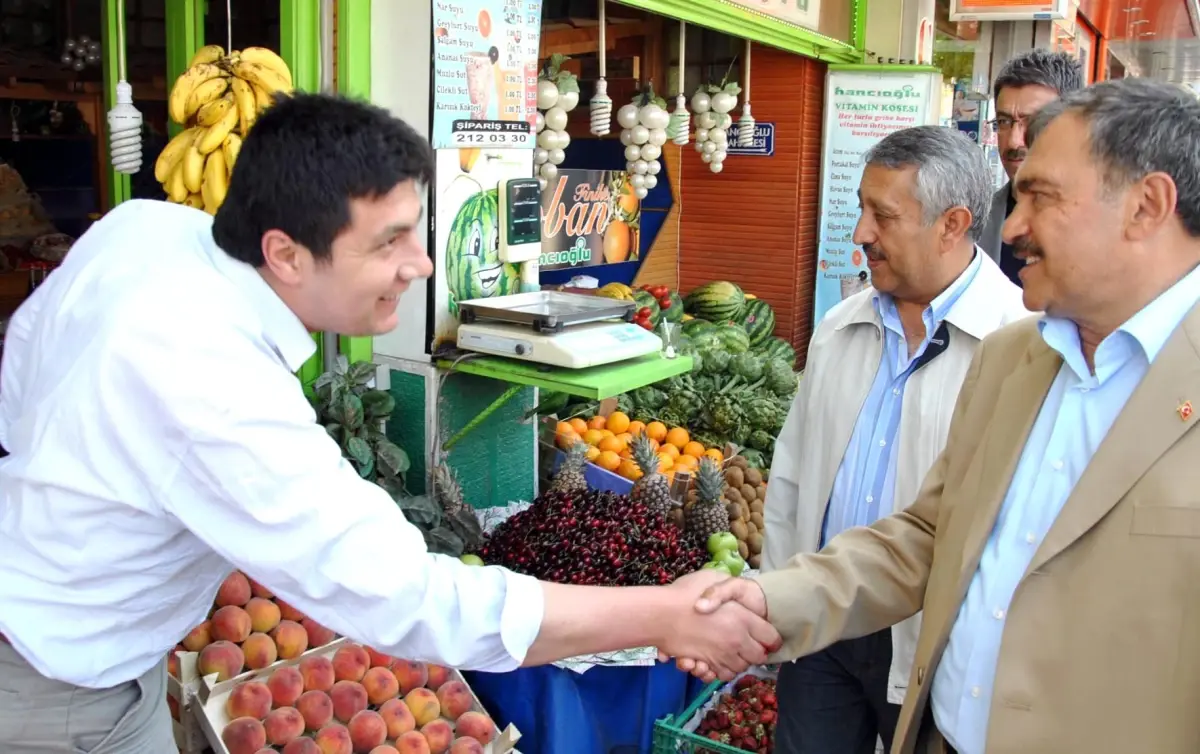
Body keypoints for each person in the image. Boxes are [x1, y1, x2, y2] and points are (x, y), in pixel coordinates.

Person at [0, 93, 779, 753]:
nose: (422, 263)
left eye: (417, 226)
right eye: (388, 243)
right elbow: (413, 600)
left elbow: (23, 360)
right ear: (286, 253)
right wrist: (665, 614)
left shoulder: (145, 231)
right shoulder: (216, 388)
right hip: (58, 690)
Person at [680, 77, 1200, 754]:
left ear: (1146, 207)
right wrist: (771, 598)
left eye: (1039, 197)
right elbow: (931, 533)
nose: (1010, 228)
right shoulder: (1019, 358)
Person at [761, 126, 1029, 754]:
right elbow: (793, 471)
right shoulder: (840, 326)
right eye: (861, 207)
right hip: (822, 620)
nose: (860, 233)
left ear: (951, 224)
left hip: (931, 644)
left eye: (883, 215)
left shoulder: (1018, 345)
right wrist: (776, 600)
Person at [978, 49, 1083, 286]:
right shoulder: (974, 223)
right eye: (1004, 122)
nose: (1014, 140)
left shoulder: (1103, 228)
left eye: (1033, 121)